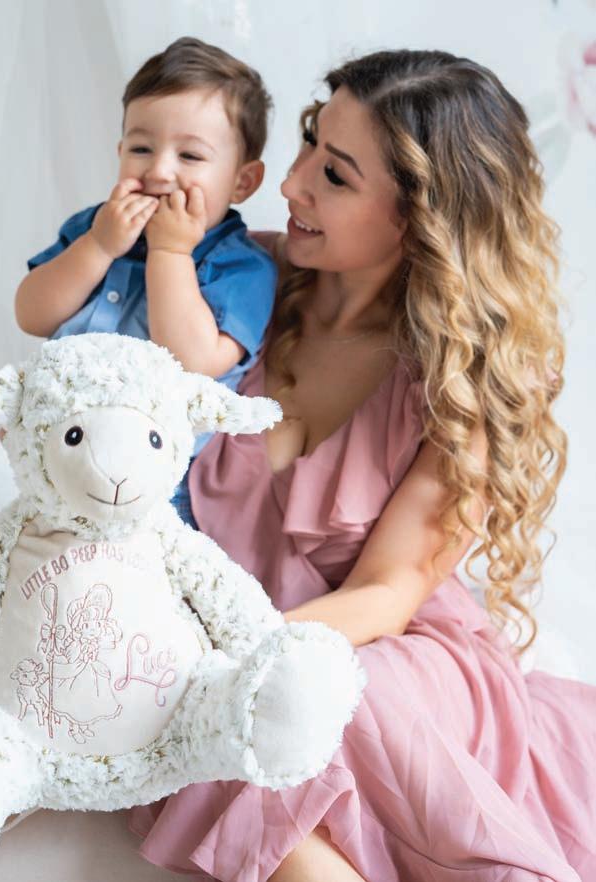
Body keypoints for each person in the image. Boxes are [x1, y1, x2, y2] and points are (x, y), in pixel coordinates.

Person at [125, 49, 596, 882]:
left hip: (389, 656)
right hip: (236, 659)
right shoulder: (228, 289)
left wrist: (232, 663)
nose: (290, 183)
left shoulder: (464, 373)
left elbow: (386, 594)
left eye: (334, 175)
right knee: (247, 758)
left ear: (421, 217)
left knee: (324, 694)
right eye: (310, 142)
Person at [14, 37, 277, 525]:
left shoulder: (243, 266)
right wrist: (98, 246)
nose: (159, 171)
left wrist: (170, 252)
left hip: (155, 486)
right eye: (141, 148)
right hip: (57, 462)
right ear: (120, 152)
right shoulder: (97, 226)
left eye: (190, 156)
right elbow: (31, 315)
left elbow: (195, 362)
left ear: (242, 181)